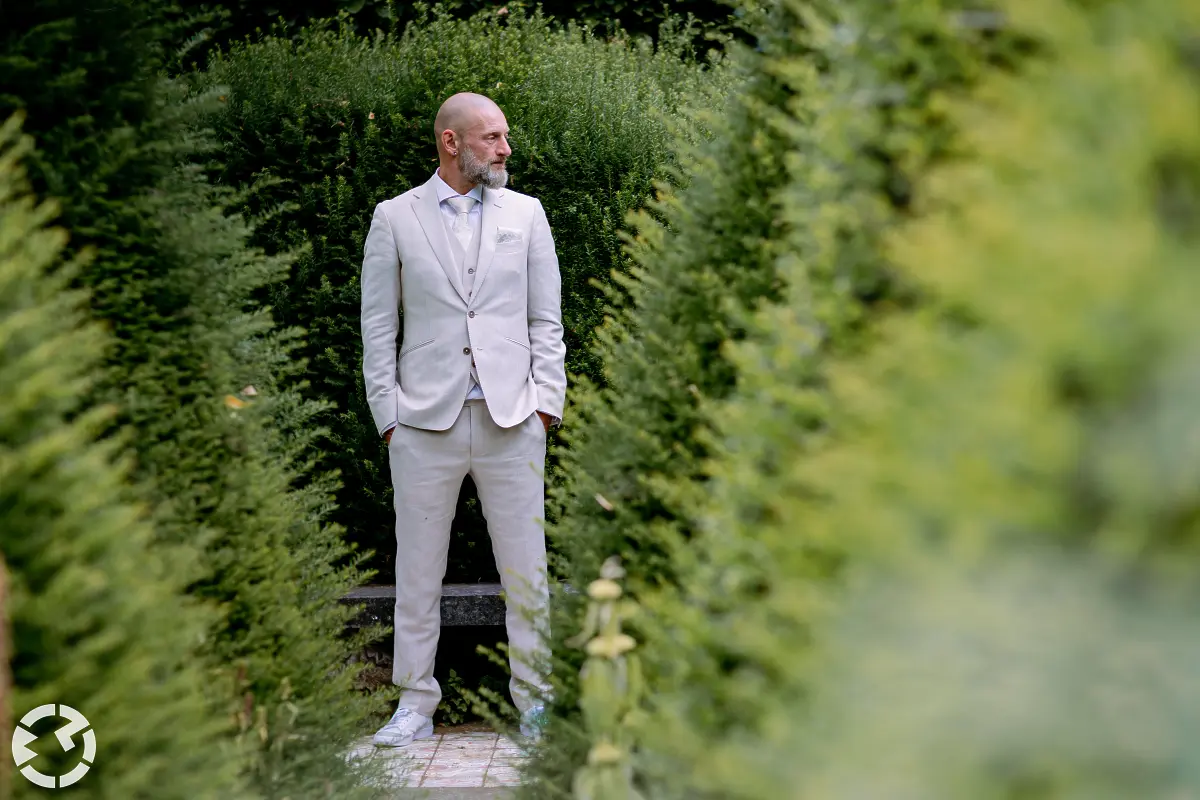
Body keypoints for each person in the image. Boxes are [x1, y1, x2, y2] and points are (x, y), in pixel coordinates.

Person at [359, 92, 566, 747]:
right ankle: (414, 706)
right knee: (417, 571)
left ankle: (536, 704)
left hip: (512, 421)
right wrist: (389, 415)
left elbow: (545, 320)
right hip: (424, 424)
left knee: (526, 572)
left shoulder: (528, 215)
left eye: (504, 136)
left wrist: (545, 406)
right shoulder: (394, 218)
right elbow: (378, 325)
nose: (505, 149)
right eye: (492, 138)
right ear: (452, 142)